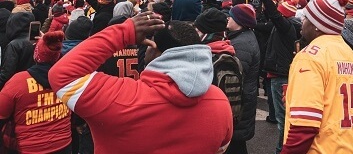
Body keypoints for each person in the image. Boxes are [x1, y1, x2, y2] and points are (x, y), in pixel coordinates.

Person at [48, 12, 234, 153]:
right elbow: (221, 146)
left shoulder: (121, 99)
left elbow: (62, 75)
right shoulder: (220, 101)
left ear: (154, 49)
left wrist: (124, 32)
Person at [282, 0, 353, 153]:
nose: (303, 21)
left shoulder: (309, 56)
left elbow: (304, 125)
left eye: (307, 18)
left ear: (318, 25)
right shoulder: (351, 56)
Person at [0, 31, 72, 153]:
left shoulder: (18, 82)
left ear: (36, 54)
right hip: (64, 145)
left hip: (28, 148)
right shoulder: (70, 79)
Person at [254, 0, 300, 153]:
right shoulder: (283, 26)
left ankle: (282, 149)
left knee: (283, 120)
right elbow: (270, 16)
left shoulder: (286, 27)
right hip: (278, 73)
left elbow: (273, 15)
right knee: (283, 118)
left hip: (281, 77)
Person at [225, 4, 261, 154]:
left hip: (240, 103)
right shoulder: (242, 38)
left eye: (231, 16)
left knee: (235, 145)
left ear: (239, 21)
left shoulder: (241, 44)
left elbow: (234, 78)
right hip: (244, 100)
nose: (228, 18)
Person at [0, 12, 36, 90]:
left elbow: (7, 73)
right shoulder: (37, 40)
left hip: (17, 85)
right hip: (33, 84)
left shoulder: (14, 45)